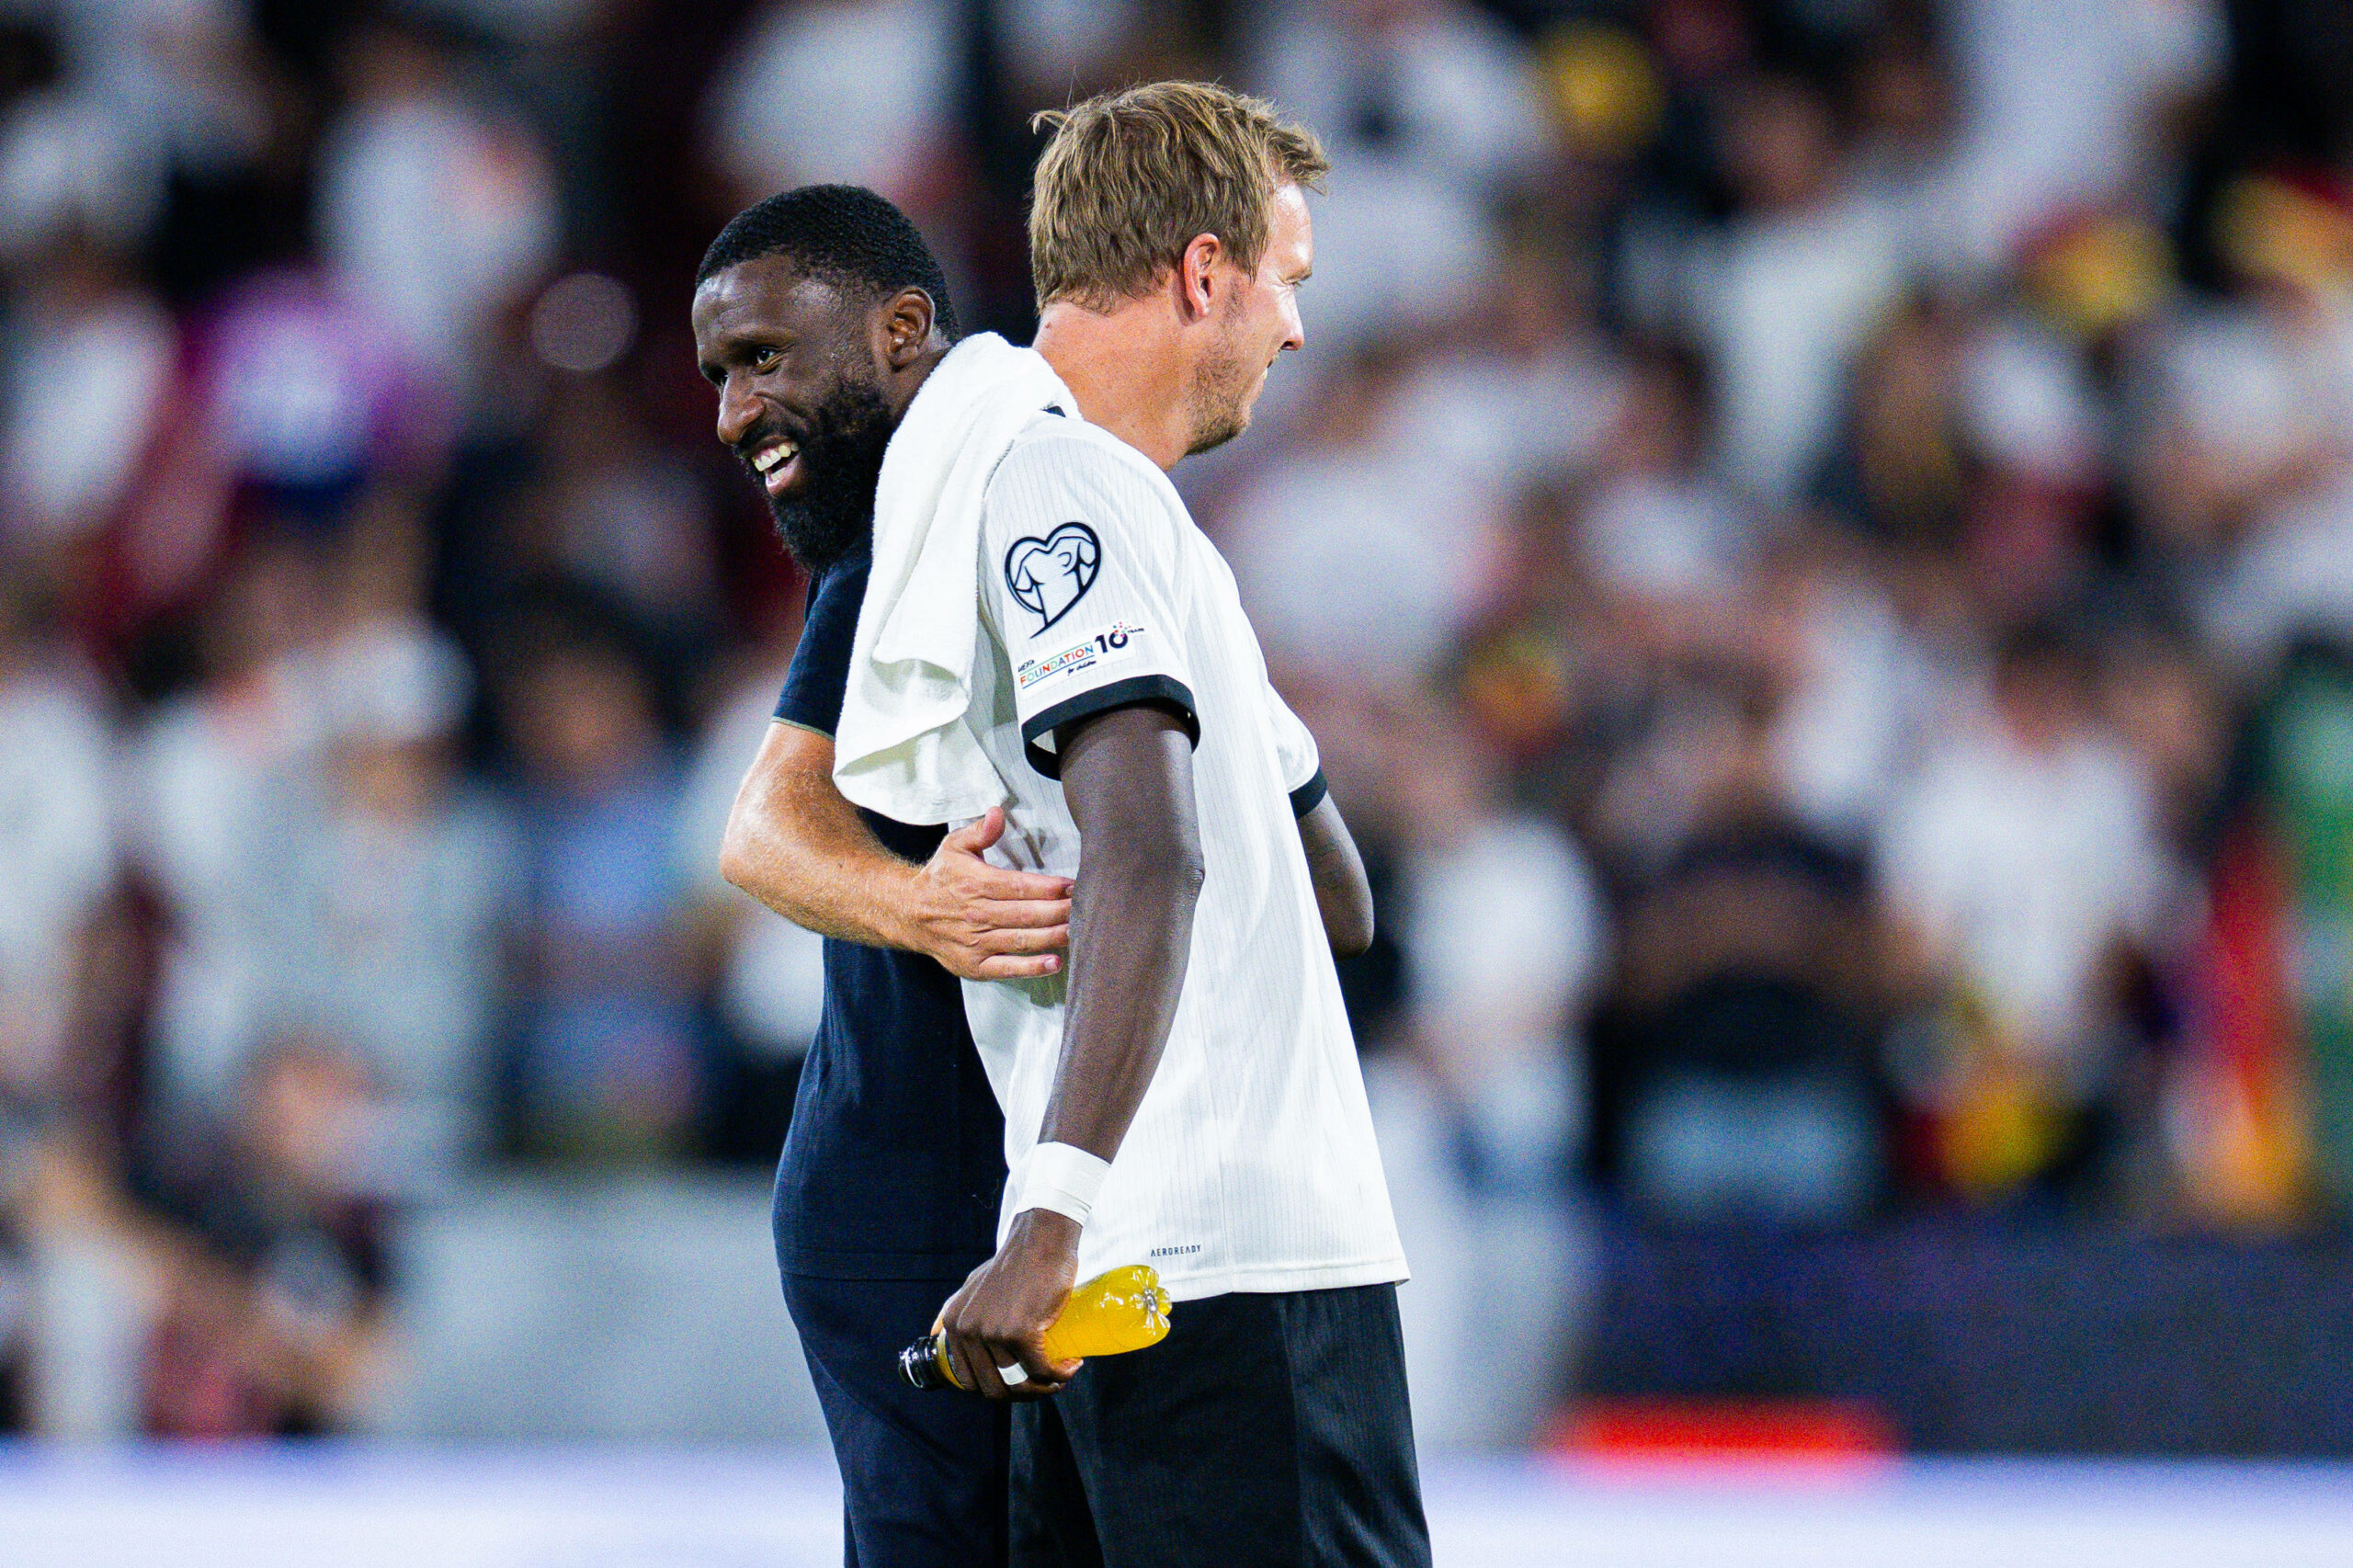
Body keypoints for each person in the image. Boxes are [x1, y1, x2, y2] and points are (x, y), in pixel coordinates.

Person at [867, 85, 1429, 1566]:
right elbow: (1163, 853)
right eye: (1285, 281)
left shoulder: (1129, 527)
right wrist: (1052, 1215)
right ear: (1202, 272)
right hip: (1214, 1261)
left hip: (1112, 1271)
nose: (1293, 331)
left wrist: (1240, 721)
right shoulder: (1070, 484)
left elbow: (1331, 897)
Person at [690, 185, 1074, 1567]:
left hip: (966, 1176)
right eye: (720, 375)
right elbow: (760, 829)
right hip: (920, 1192)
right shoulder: (894, 544)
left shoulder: (979, 496)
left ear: (903, 330)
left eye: (762, 359)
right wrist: (925, 906)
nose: (732, 414)